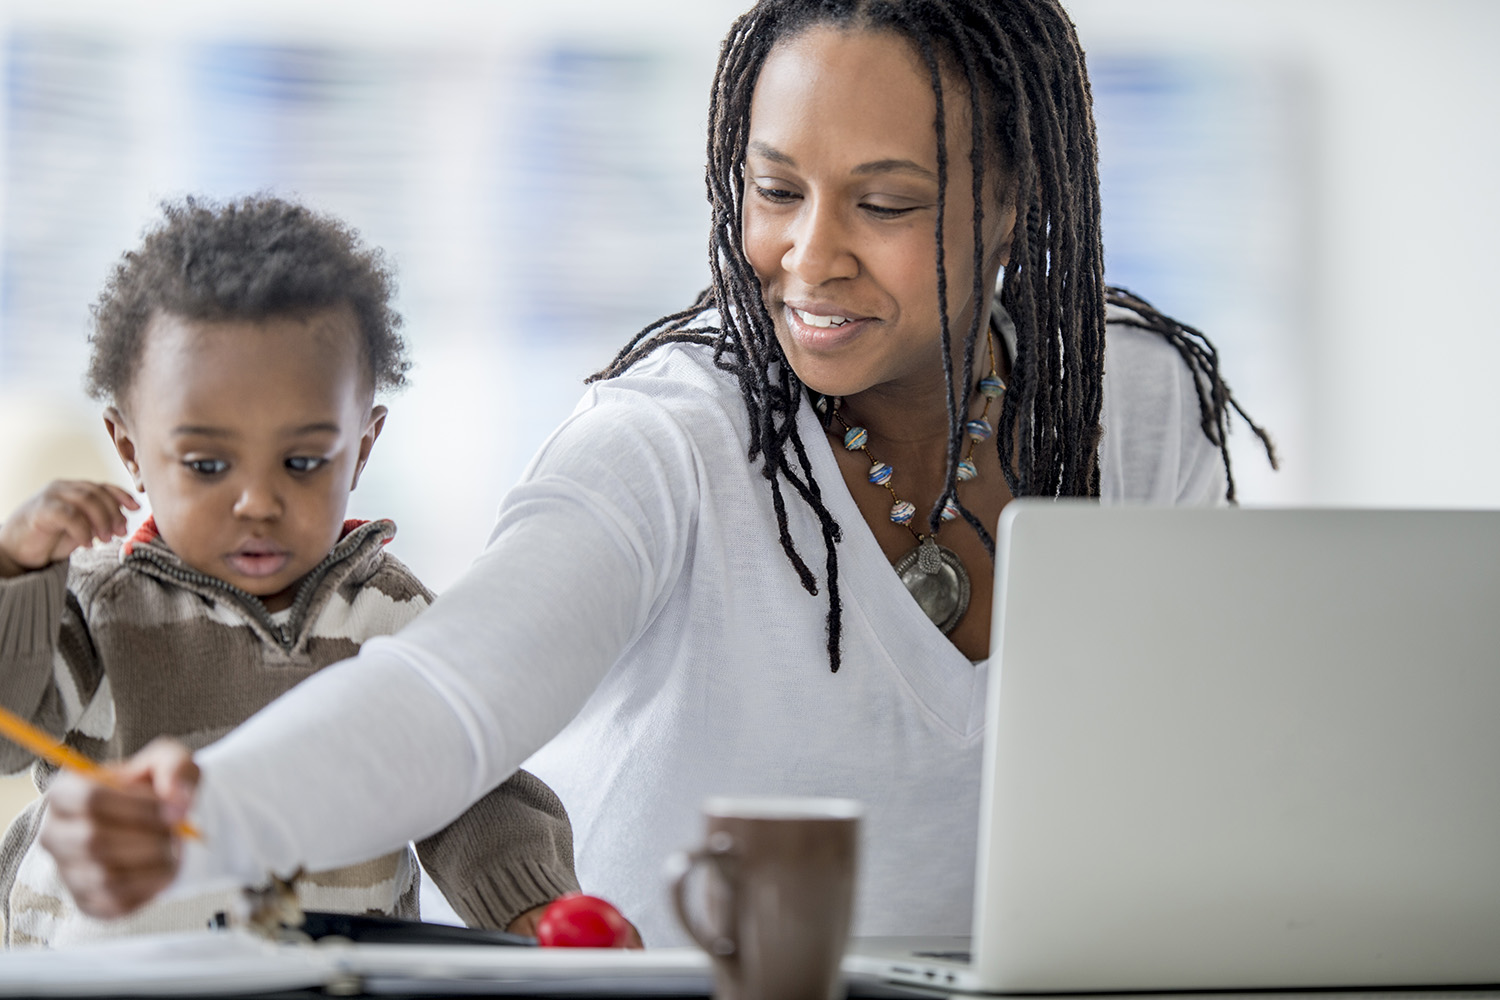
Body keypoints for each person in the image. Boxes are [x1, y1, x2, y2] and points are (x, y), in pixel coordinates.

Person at [38, 0, 1275, 946]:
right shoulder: (668, 434)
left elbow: (1219, 766)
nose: (807, 255)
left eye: (884, 203)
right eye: (775, 188)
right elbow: (448, 699)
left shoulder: (1143, 409)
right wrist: (203, 816)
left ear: (1011, 199)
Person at [0, 196, 581, 947]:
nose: (259, 502)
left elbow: (471, 785)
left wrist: (533, 906)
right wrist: (16, 573)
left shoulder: (393, 619)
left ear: (362, 447)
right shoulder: (100, 608)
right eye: (208, 464)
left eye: (304, 462)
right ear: (129, 449)